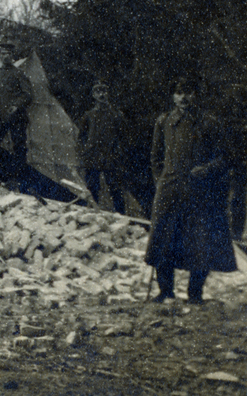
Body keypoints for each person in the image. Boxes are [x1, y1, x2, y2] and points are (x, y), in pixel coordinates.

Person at [144, 77, 237, 303]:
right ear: (172, 96)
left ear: (196, 95)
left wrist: (205, 170)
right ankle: (165, 291)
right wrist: (161, 181)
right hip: (170, 191)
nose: (183, 97)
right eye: (178, 92)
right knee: (164, 239)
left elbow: (225, 157)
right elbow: (156, 158)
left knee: (200, 243)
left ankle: (195, 293)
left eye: (188, 92)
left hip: (199, 192)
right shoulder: (164, 121)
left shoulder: (209, 122)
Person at [0, 36, 34, 184]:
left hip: (16, 117)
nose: (5, 56)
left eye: (8, 53)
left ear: (12, 56)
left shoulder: (18, 73)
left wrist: (16, 105)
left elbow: (28, 95)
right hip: (0, 116)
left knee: (19, 148)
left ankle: (18, 178)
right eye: (2, 53)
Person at [81, 82, 127, 214]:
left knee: (115, 189)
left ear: (108, 94)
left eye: (104, 91)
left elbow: (123, 136)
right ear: (94, 95)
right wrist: (86, 152)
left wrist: (118, 153)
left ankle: (121, 216)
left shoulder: (116, 114)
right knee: (92, 189)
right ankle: (92, 215)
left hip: (110, 157)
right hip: (92, 157)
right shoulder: (89, 115)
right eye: (98, 92)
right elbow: (82, 136)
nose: (101, 95)